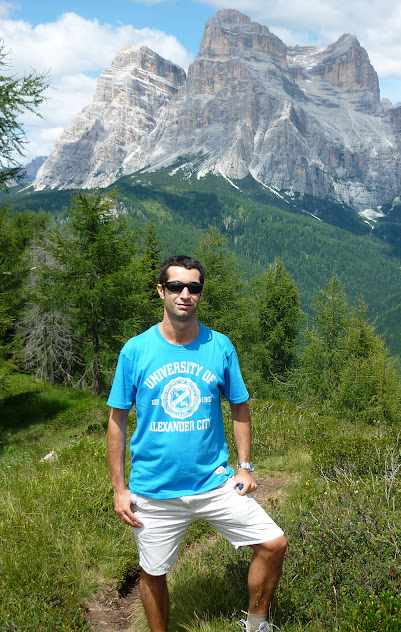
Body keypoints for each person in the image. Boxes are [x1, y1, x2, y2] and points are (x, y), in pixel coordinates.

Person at [107, 255, 287, 632]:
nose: (185, 294)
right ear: (161, 291)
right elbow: (117, 421)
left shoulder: (219, 346)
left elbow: (239, 406)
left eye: (194, 287)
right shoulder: (135, 351)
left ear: (200, 294)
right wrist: (119, 489)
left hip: (214, 483)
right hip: (154, 491)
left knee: (273, 544)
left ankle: (256, 625)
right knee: (153, 572)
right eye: (175, 287)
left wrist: (245, 466)